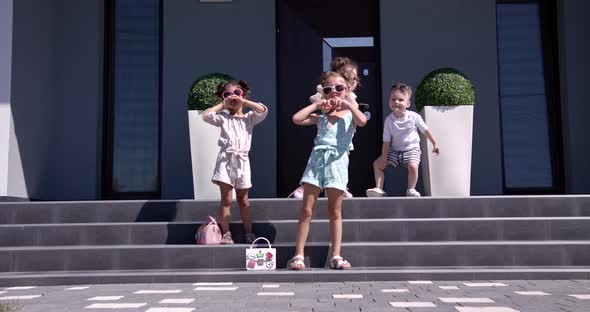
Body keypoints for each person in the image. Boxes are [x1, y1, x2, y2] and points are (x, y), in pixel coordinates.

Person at [288, 72, 367, 270]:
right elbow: (296, 119)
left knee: (335, 211)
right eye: (328, 89)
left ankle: (337, 255)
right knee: (307, 209)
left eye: (339, 88)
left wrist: (349, 103)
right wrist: (317, 105)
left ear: (347, 90)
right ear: (323, 93)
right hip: (316, 162)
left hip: (337, 164)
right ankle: (298, 255)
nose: (334, 92)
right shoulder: (321, 116)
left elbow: (362, 121)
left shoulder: (350, 114)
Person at [202, 80, 268, 244]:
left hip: (243, 161)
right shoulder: (223, 118)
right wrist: (222, 105)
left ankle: (249, 233)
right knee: (226, 199)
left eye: (237, 93)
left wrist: (244, 101)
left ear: (243, 95)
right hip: (225, 160)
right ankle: (226, 234)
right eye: (228, 94)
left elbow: (263, 111)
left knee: (243, 200)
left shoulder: (249, 118)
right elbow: (206, 116)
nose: (233, 97)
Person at [289, 57, 361, 198]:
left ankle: (341, 185)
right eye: (351, 78)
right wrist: (322, 102)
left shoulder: (350, 95)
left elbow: (358, 114)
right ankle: (306, 187)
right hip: (327, 131)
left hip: (342, 136)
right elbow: (314, 100)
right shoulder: (328, 91)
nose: (355, 81)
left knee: (340, 158)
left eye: (356, 78)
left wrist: (347, 100)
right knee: (320, 161)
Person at [365, 83, 439, 197]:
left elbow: (425, 130)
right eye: (393, 99)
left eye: (400, 100)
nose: (396, 102)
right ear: (389, 101)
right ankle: (379, 189)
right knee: (377, 164)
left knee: (413, 166)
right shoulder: (389, 120)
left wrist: (434, 143)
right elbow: (386, 141)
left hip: (411, 149)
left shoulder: (414, 117)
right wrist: (384, 158)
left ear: (408, 104)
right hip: (394, 151)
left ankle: (411, 189)